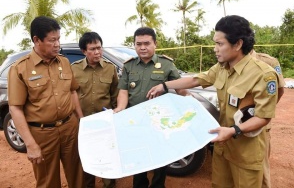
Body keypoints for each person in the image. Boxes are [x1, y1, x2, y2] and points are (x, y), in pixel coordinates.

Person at [147, 15, 279, 187]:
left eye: (220, 44)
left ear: (238, 44)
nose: (215, 49)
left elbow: (263, 117)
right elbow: (195, 80)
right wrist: (164, 86)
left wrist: (233, 130)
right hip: (223, 148)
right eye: (215, 43)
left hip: (246, 151)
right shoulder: (222, 68)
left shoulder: (263, 74)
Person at [8, 16, 85, 187]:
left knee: (78, 174)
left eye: (58, 39)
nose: (58, 44)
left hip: (69, 128)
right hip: (42, 134)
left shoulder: (64, 62)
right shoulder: (20, 68)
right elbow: (15, 109)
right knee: (47, 181)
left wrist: (81, 120)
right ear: (36, 40)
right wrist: (30, 144)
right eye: (52, 40)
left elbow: (72, 91)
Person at [114, 26, 190, 188]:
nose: (142, 47)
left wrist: (191, 103)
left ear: (155, 44)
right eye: (138, 44)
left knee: (160, 159)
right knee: (138, 158)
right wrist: (120, 108)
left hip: (159, 122)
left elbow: (181, 89)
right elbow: (123, 91)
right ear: (134, 45)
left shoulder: (166, 64)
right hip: (136, 121)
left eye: (146, 43)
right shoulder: (129, 66)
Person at [71, 32, 118, 188]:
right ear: (84, 51)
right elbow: (71, 95)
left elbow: (114, 95)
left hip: (105, 124)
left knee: (108, 160)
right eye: (93, 49)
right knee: (86, 160)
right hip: (82, 124)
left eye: (99, 48)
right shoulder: (74, 69)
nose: (97, 52)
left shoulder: (110, 69)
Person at [250, 49, 285, 188]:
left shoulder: (269, 61)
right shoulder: (231, 61)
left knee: (261, 166)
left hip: (260, 125)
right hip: (236, 124)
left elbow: (279, 90)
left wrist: (264, 112)